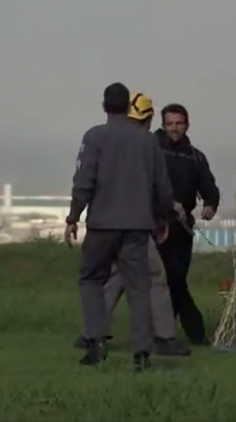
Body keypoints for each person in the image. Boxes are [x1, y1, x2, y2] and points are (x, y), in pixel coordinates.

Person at [64, 82, 175, 370]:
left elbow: (83, 181)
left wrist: (73, 217)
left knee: (91, 280)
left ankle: (95, 341)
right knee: (139, 287)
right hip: (137, 227)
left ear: (104, 106)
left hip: (102, 225)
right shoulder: (147, 141)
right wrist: (163, 218)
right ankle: (142, 353)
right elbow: (161, 186)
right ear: (128, 107)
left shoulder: (94, 137)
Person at [153, 103, 220, 345]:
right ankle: (192, 332)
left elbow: (209, 187)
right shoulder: (151, 150)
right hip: (155, 224)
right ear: (163, 125)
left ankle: (165, 333)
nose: (174, 128)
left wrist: (211, 204)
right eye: (170, 124)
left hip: (182, 228)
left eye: (179, 123)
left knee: (176, 280)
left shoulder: (195, 157)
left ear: (187, 125)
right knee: (167, 280)